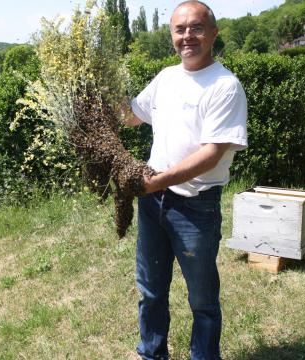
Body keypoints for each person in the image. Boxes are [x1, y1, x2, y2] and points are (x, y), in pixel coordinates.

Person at [124, 1, 248, 359]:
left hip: (195, 207)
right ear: (172, 36)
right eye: (180, 30)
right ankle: (151, 354)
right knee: (150, 290)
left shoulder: (225, 86)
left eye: (196, 28)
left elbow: (212, 153)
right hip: (153, 204)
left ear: (213, 33)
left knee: (203, 301)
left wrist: (156, 181)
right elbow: (132, 115)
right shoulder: (166, 77)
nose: (187, 36)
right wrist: (89, 99)